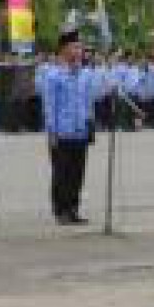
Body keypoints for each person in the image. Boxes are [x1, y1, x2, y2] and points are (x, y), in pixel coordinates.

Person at [44, 31, 97, 226]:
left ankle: (73, 209)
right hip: (62, 132)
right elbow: (50, 106)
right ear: (64, 50)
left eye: (80, 47)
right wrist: (51, 132)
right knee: (62, 173)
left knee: (77, 173)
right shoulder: (53, 75)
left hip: (80, 130)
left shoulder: (86, 74)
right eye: (75, 47)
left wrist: (90, 124)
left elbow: (89, 102)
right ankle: (61, 210)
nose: (79, 51)